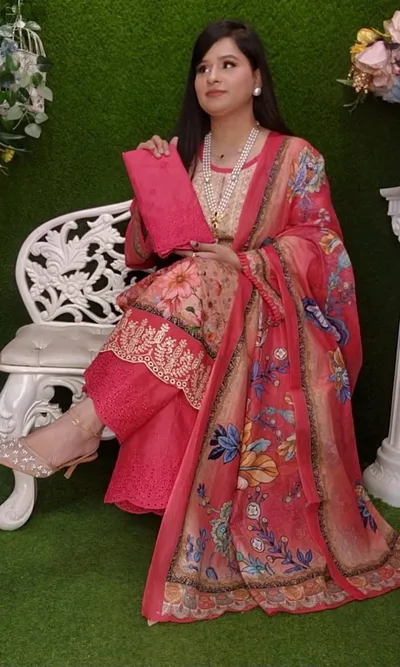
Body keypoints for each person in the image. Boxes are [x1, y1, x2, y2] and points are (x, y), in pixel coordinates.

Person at [1, 19, 399, 625]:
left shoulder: (296, 157)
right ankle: (86, 431)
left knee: (199, 276)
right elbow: (149, 253)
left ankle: (81, 426)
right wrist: (155, 183)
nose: (212, 76)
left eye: (228, 64)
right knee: (188, 276)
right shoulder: (184, 156)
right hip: (189, 311)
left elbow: (324, 249)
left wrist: (245, 262)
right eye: (203, 67)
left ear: (257, 78)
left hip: (271, 311)